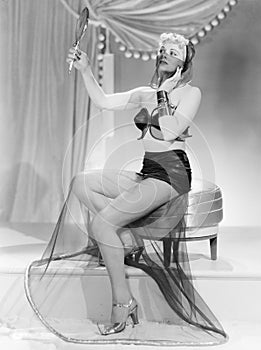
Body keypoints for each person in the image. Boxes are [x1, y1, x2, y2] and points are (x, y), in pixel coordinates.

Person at [25, 33, 228, 345]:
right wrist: (86, 70)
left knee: (102, 223)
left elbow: (170, 130)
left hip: (172, 173)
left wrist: (163, 94)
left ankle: (123, 303)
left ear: (184, 63)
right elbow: (103, 101)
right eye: (161, 50)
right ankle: (128, 241)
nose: (164, 54)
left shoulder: (191, 93)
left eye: (172, 52)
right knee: (81, 182)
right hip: (148, 170)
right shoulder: (145, 92)